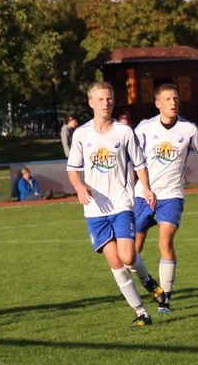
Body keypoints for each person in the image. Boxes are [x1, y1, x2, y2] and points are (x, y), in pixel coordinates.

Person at [68, 81, 161, 326]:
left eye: (109, 98)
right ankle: (141, 312)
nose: (105, 103)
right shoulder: (81, 134)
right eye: (100, 99)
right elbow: (73, 169)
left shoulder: (124, 132)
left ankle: (147, 280)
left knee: (128, 256)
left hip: (121, 203)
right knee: (115, 262)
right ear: (91, 103)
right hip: (94, 209)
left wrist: (147, 188)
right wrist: (79, 187)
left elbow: (140, 164)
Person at [132, 82, 198, 313]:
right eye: (167, 99)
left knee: (165, 241)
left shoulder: (188, 129)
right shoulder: (144, 128)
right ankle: (148, 283)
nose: (173, 102)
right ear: (158, 104)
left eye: (175, 98)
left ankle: (164, 300)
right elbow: (132, 158)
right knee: (133, 250)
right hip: (143, 194)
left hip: (172, 195)